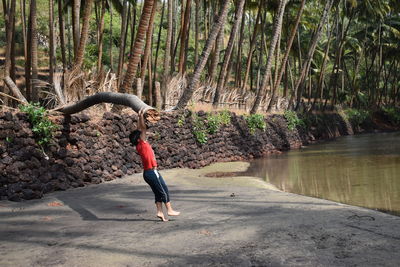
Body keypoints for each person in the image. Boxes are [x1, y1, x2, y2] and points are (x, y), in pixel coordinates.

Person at [129, 108, 180, 222]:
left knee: (158, 192)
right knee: (164, 190)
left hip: (151, 172)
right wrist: (141, 116)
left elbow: (140, 129)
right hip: (151, 172)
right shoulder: (141, 144)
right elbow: (141, 129)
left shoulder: (140, 145)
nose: (145, 135)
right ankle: (170, 210)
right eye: (142, 135)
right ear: (139, 139)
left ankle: (160, 212)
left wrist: (139, 116)